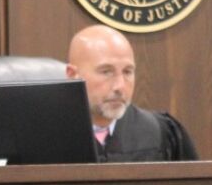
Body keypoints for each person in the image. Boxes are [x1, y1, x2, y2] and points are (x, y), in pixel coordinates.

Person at [64, 25, 198, 162]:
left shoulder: (160, 133)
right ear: (73, 75)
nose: (120, 86)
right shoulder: (52, 136)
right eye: (106, 72)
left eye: (127, 72)